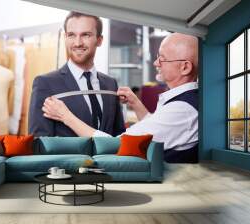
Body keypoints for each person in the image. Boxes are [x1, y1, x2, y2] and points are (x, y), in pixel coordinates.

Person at [42, 33, 199, 163]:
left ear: (185, 67)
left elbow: (114, 145)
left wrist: (66, 116)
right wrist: (136, 104)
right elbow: (158, 129)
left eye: (163, 59)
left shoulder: (182, 110)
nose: (156, 63)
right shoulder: (183, 104)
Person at [28, 12, 125, 137]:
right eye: (71, 35)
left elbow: (119, 136)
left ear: (99, 40)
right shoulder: (45, 83)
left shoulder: (111, 84)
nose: (78, 43)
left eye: (86, 35)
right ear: (65, 38)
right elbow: (39, 143)